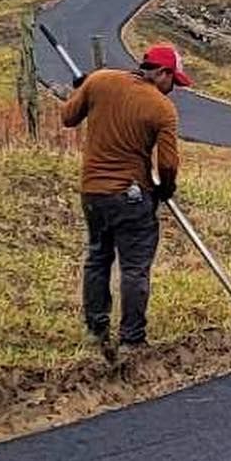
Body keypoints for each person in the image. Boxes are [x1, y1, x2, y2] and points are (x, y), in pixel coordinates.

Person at [59, 43, 190, 361]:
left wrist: (85, 91)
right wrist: (165, 190)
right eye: (174, 81)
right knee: (134, 268)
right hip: (131, 195)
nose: (173, 89)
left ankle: (96, 330)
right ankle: (132, 339)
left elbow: (68, 117)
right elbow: (168, 164)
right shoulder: (161, 108)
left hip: (92, 193)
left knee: (97, 258)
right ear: (161, 73)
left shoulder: (100, 80)